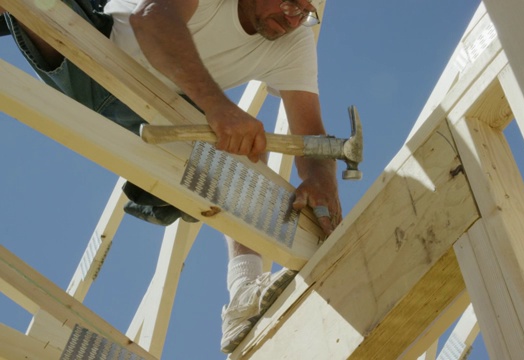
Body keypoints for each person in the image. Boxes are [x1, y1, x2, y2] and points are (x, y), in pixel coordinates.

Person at [1, 0, 341, 353]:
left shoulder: (294, 39)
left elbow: (311, 136)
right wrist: (218, 107)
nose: (292, 18)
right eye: (289, 3)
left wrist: (321, 178)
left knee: (249, 149)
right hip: (94, 45)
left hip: (152, 118)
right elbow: (152, 20)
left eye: (304, 12)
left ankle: (244, 292)